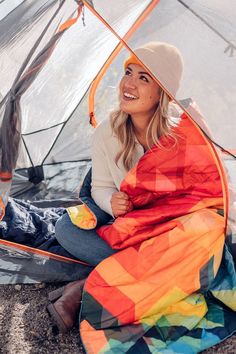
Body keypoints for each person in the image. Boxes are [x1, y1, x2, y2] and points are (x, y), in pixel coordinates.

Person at [47, 41, 185, 332]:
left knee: (208, 246)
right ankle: (150, 273)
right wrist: (111, 202)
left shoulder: (180, 139)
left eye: (143, 77)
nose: (129, 84)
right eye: (128, 72)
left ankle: (86, 287)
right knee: (65, 229)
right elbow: (100, 186)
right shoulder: (107, 132)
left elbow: (195, 198)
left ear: (163, 92)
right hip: (126, 230)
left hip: (164, 235)